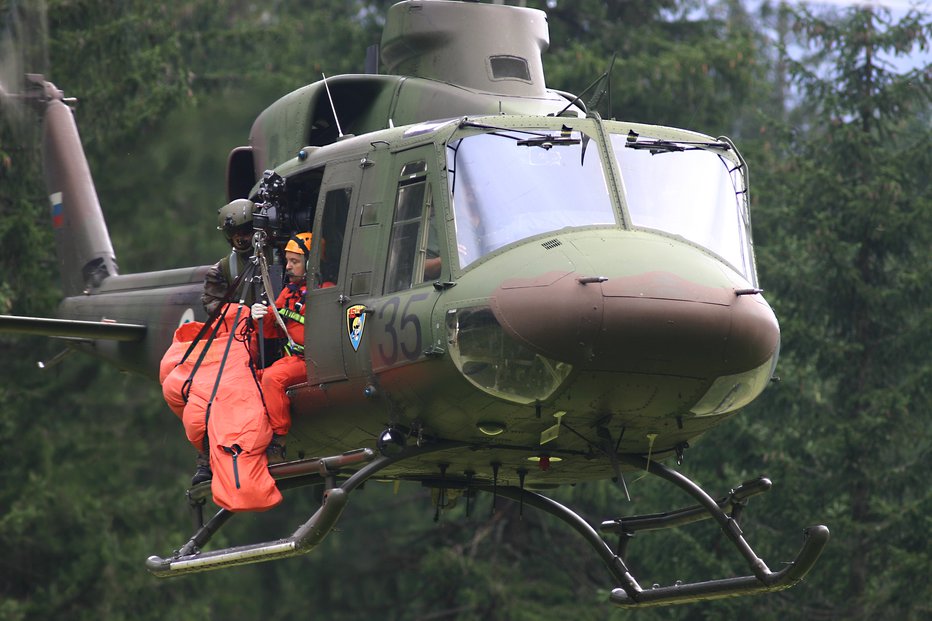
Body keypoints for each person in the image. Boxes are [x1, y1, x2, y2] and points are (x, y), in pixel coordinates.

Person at [250, 232, 313, 460]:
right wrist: (260, 315)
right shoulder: (289, 292)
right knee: (256, 378)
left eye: (294, 261)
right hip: (294, 359)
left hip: (313, 361)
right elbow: (275, 323)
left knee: (271, 379)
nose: (288, 267)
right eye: (287, 261)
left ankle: (279, 439)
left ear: (310, 263)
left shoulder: (322, 291)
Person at [202, 198, 259, 315]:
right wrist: (243, 313)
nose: (239, 238)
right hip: (245, 329)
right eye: (232, 232)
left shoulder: (279, 256)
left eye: (244, 231)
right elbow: (212, 303)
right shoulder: (222, 269)